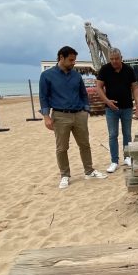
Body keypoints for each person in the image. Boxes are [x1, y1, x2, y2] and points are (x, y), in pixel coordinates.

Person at [39, 46, 108, 189]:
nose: (73, 63)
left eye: (74, 60)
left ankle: (89, 171)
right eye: (71, 60)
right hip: (60, 115)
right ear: (61, 58)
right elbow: (43, 97)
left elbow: (83, 94)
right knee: (62, 148)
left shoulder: (76, 76)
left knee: (85, 144)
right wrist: (46, 117)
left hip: (79, 115)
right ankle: (65, 175)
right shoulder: (46, 75)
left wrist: (86, 111)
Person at [95, 48, 138, 173]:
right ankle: (114, 161)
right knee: (113, 135)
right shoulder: (104, 70)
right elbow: (98, 87)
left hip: (127, 107)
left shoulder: (129, 70)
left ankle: (127, 157)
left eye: (116, 58)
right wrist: (107, 101)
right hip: (111, 109)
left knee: (127, 133)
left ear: (121, 58)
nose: (114, 61)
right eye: (112, 59)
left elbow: (135, 87)